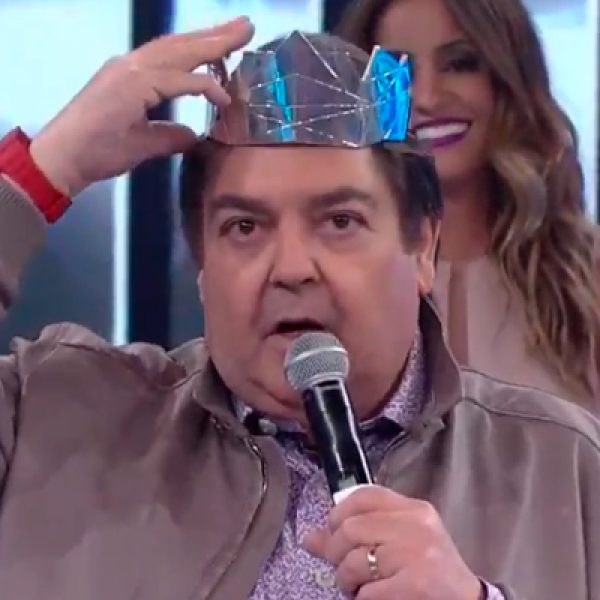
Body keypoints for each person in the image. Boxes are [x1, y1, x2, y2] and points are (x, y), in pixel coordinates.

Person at [0, 17, 598, 600]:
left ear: (422, 248)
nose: (291, 267)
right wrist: (45, 169)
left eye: (340, 222)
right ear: (203, 263)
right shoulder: (52, 415)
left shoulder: (564, 466)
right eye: (245, 227)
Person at [337, 0, 600, 407]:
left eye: (460, 64)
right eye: (398, 71)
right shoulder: (329, 282)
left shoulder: (587, 278)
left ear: (507, 81)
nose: (426, 97)